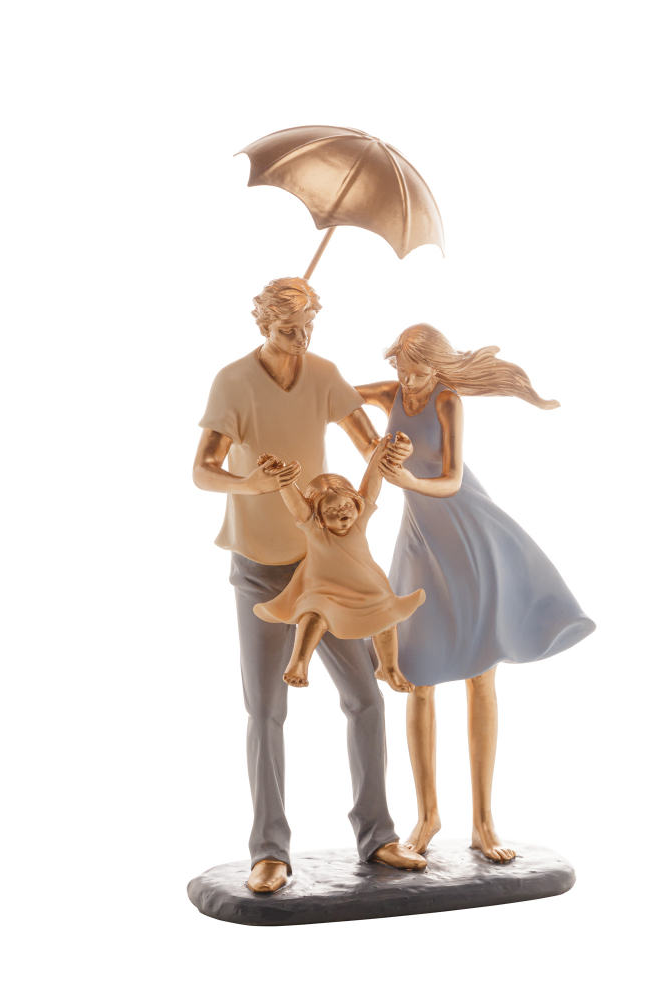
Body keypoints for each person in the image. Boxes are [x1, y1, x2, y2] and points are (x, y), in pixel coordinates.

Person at [193, 277, 425, 894]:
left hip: (324, 567)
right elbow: (203, 470)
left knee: (366, 697)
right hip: (259, 566)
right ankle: (269, 850)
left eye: (308, 326)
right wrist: (254, 483)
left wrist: (392, 452)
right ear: (262, 324)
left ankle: (377, 835)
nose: (301, 339)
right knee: (267, 709)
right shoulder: (233, 382)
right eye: (287, 329)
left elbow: (367, 442)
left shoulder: (322, 373)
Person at [356, 323, 596, 861]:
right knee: (416, 675)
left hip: (465, 534)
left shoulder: (447, 402)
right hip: (420, 543)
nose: (407, 379)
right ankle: (427, 815)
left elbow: (451, 479)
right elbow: (334, 398)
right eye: (401, 368)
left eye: (417, 370)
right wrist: (372, 448)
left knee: (479, 673)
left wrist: (406, 480)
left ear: (437, 367)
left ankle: (484, 823)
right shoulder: (389, 393)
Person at [253, 436, 424, 692]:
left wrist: (379, 453)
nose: (343, 515)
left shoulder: (359, 521)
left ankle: (389, 668)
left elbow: (371, 483)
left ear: (356, 503)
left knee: (387, 616)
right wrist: (283, 479)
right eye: (331, 512)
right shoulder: (316, 529)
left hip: (368, 587)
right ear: (319, 517)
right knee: (313, 613)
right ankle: (299, 662)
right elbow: (298, 506)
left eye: (346, 507)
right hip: (324, 590)